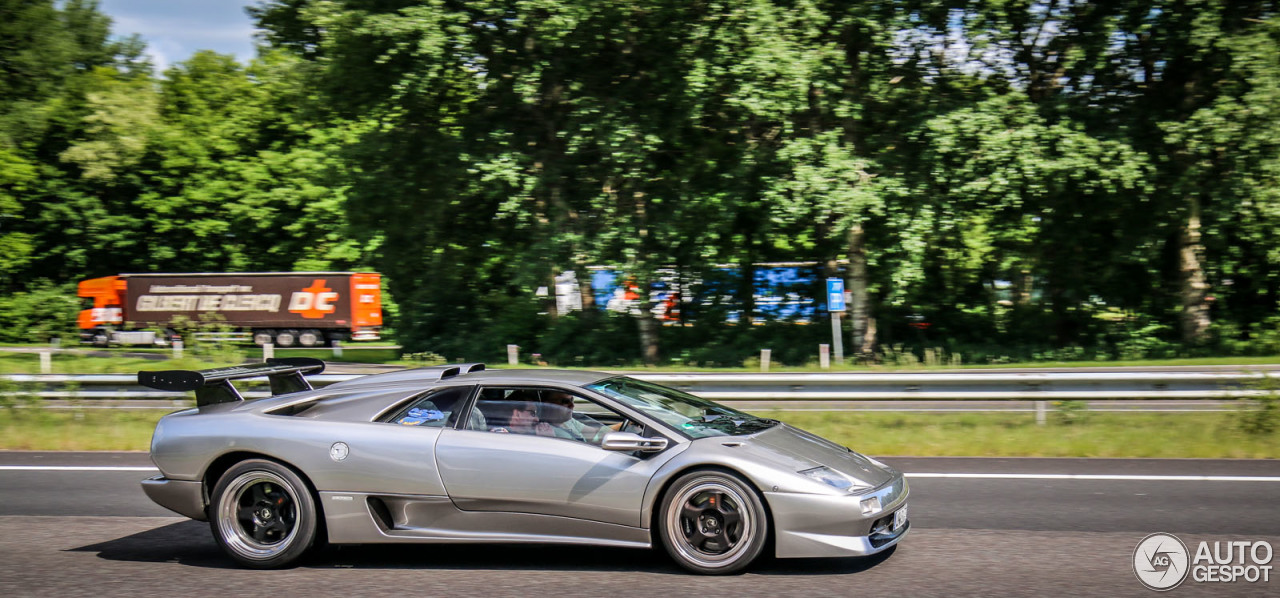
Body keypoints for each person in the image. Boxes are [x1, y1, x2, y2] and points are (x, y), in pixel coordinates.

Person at [537, 391, 607, 442]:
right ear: (548, 404)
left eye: (572, 400)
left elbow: (595, 433)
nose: (572, 405)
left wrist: (617, 427)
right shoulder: (545, 430)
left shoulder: (568, 421)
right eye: (565, 401)